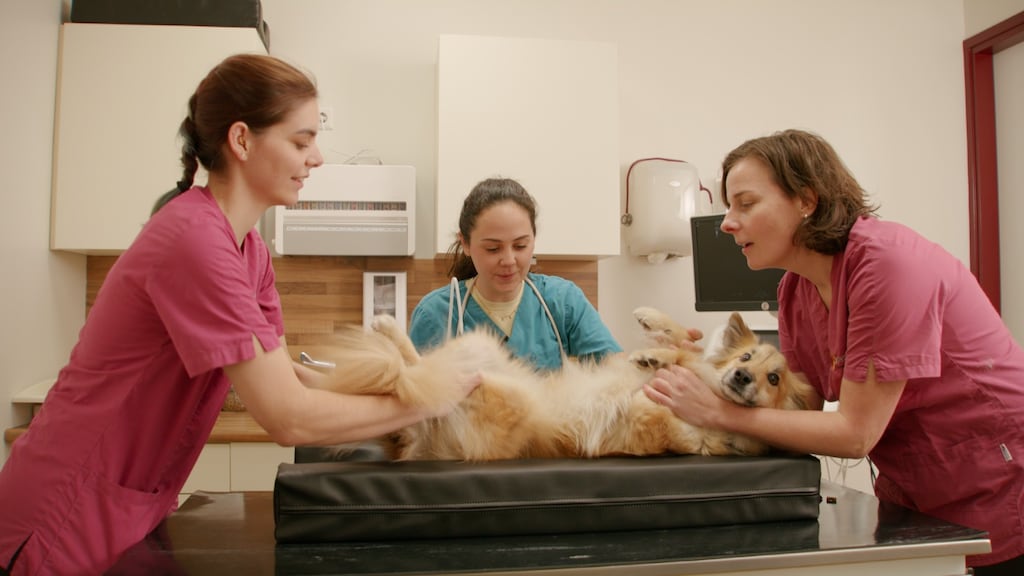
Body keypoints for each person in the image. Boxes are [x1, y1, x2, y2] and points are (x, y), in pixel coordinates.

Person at [0, 54, 477, 576]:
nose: (317, 158)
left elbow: (293, 378)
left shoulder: (248, 249)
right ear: (242, 140)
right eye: (300, 141)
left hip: (124, 507)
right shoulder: (194, 241)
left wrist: (408, 382)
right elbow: (287, 416)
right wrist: (432, 398)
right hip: (62, 512)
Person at [644, 128, 1024, 574]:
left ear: (807, 201)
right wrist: (699, 371)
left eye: (745, 204)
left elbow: (854, 434)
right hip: (915, 482)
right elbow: (799, 404)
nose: (727, 222)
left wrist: (717, 413)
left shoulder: (888, 266)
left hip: (995, 475)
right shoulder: (794, 290)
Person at [408, 177, 622, 370]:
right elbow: (414, 402)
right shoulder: (436, 315)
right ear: (465, 243)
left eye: (520, 246)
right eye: (493, 249)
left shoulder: (563, 301)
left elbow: (616, 370)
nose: (509, 261)